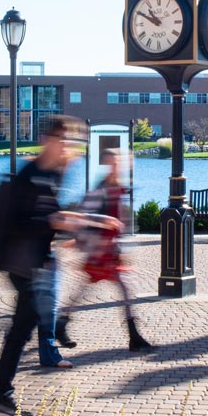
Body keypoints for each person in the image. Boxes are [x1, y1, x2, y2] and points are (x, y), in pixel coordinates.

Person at [0, 115, 116, 416]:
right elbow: (34, 220)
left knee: (23, 326)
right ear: (50, 140)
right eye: (66, 142)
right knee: (22, 328)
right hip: (20, 261)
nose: (69, 149)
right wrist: (82, 221)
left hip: (34, 260)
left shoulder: (51, 174)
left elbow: (53, 216)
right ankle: (1, 398)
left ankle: (1, 397)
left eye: (72, 143)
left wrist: (86, 222)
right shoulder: (32, 174)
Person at [57, 149, 153, 353]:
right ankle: (133, 336)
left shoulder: (116, 187)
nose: (119, 165)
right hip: (101, 251)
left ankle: (62, 322)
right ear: (109, 163)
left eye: (120, 162)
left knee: (91, 288)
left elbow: (121, 220)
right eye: (115, 162)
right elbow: (85, 214)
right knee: (111, 288)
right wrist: (82, 240)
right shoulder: (102, 188)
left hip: (109, 251)